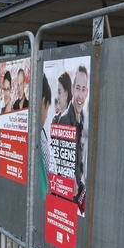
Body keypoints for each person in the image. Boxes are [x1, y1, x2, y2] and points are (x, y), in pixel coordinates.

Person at [53, 64, 89, 211]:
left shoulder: (81, 120)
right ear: (73, 89)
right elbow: (61, 163)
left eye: (84, 89)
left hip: (74, 196)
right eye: (78, 88)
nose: (80, 95)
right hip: (66, 197)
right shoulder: (66, 119)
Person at [39, 74, 58, 198]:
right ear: (43, 102)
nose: (46, 116)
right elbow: (50, 170)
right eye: (47, 107)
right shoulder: (39, 134)